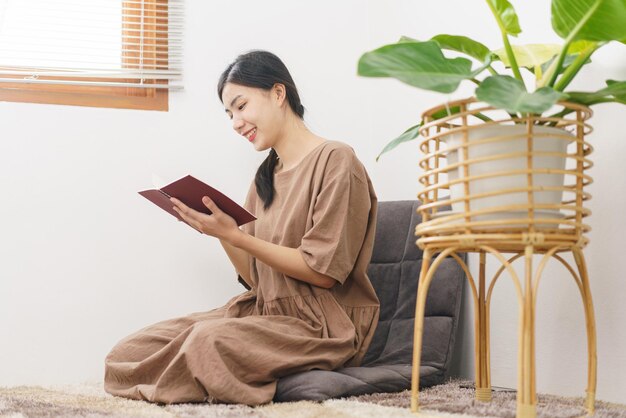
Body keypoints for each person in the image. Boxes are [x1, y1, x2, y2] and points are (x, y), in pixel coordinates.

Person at [104, 50, 380, 405]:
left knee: (206, 342)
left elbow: (322, 273)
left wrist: (232, 234)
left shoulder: (337, 160)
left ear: (278, 94)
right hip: (264, 313)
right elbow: (255, 277)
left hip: (324, 325)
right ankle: (206, 377)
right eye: (229, 113)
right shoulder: (266, 178)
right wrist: (218, 233)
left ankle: (217, 387)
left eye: (241, 105)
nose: (235, 122)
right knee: (126, 353)